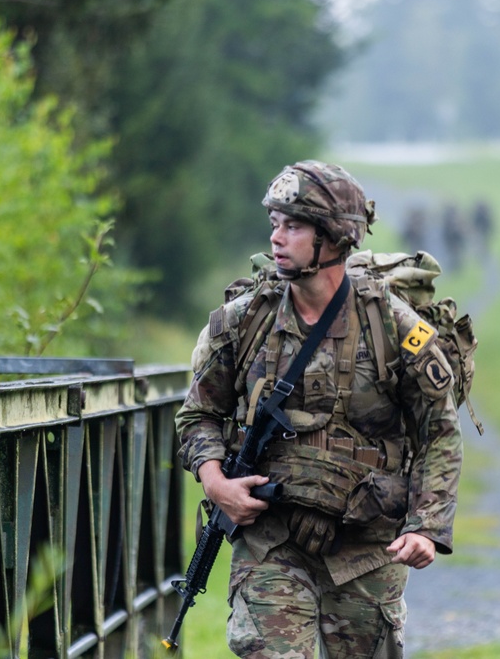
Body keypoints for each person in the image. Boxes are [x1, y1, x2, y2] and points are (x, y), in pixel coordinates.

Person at [174, 160, 463, 658]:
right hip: (270, 545)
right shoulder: (243, 322)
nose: (278, 237)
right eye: (274, 224)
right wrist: (215, 481)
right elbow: (197, 415)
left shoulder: (395, 328)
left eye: (294, 225)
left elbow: (439, 431)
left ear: (333, 236)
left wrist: (427, 528)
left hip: (367, 551)